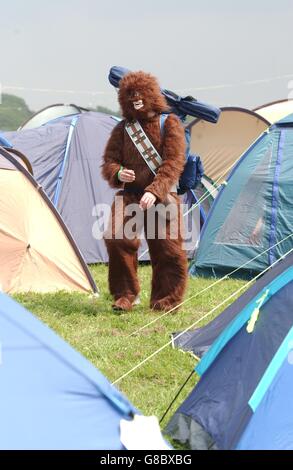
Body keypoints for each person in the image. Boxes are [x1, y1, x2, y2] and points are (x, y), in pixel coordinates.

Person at [102, 71, 188, 311]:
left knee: (167, 248)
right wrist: (118, 173)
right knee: (116, 237)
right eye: (129, 94)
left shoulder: (169, 123)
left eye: (139, 93)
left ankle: (166, 300)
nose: (135, 98)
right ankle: (126, 295)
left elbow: (173, 163)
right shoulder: (122, 129)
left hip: (162, 197)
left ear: (151, 94)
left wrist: (155, 190)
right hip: (130, 195)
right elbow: (109, 160)